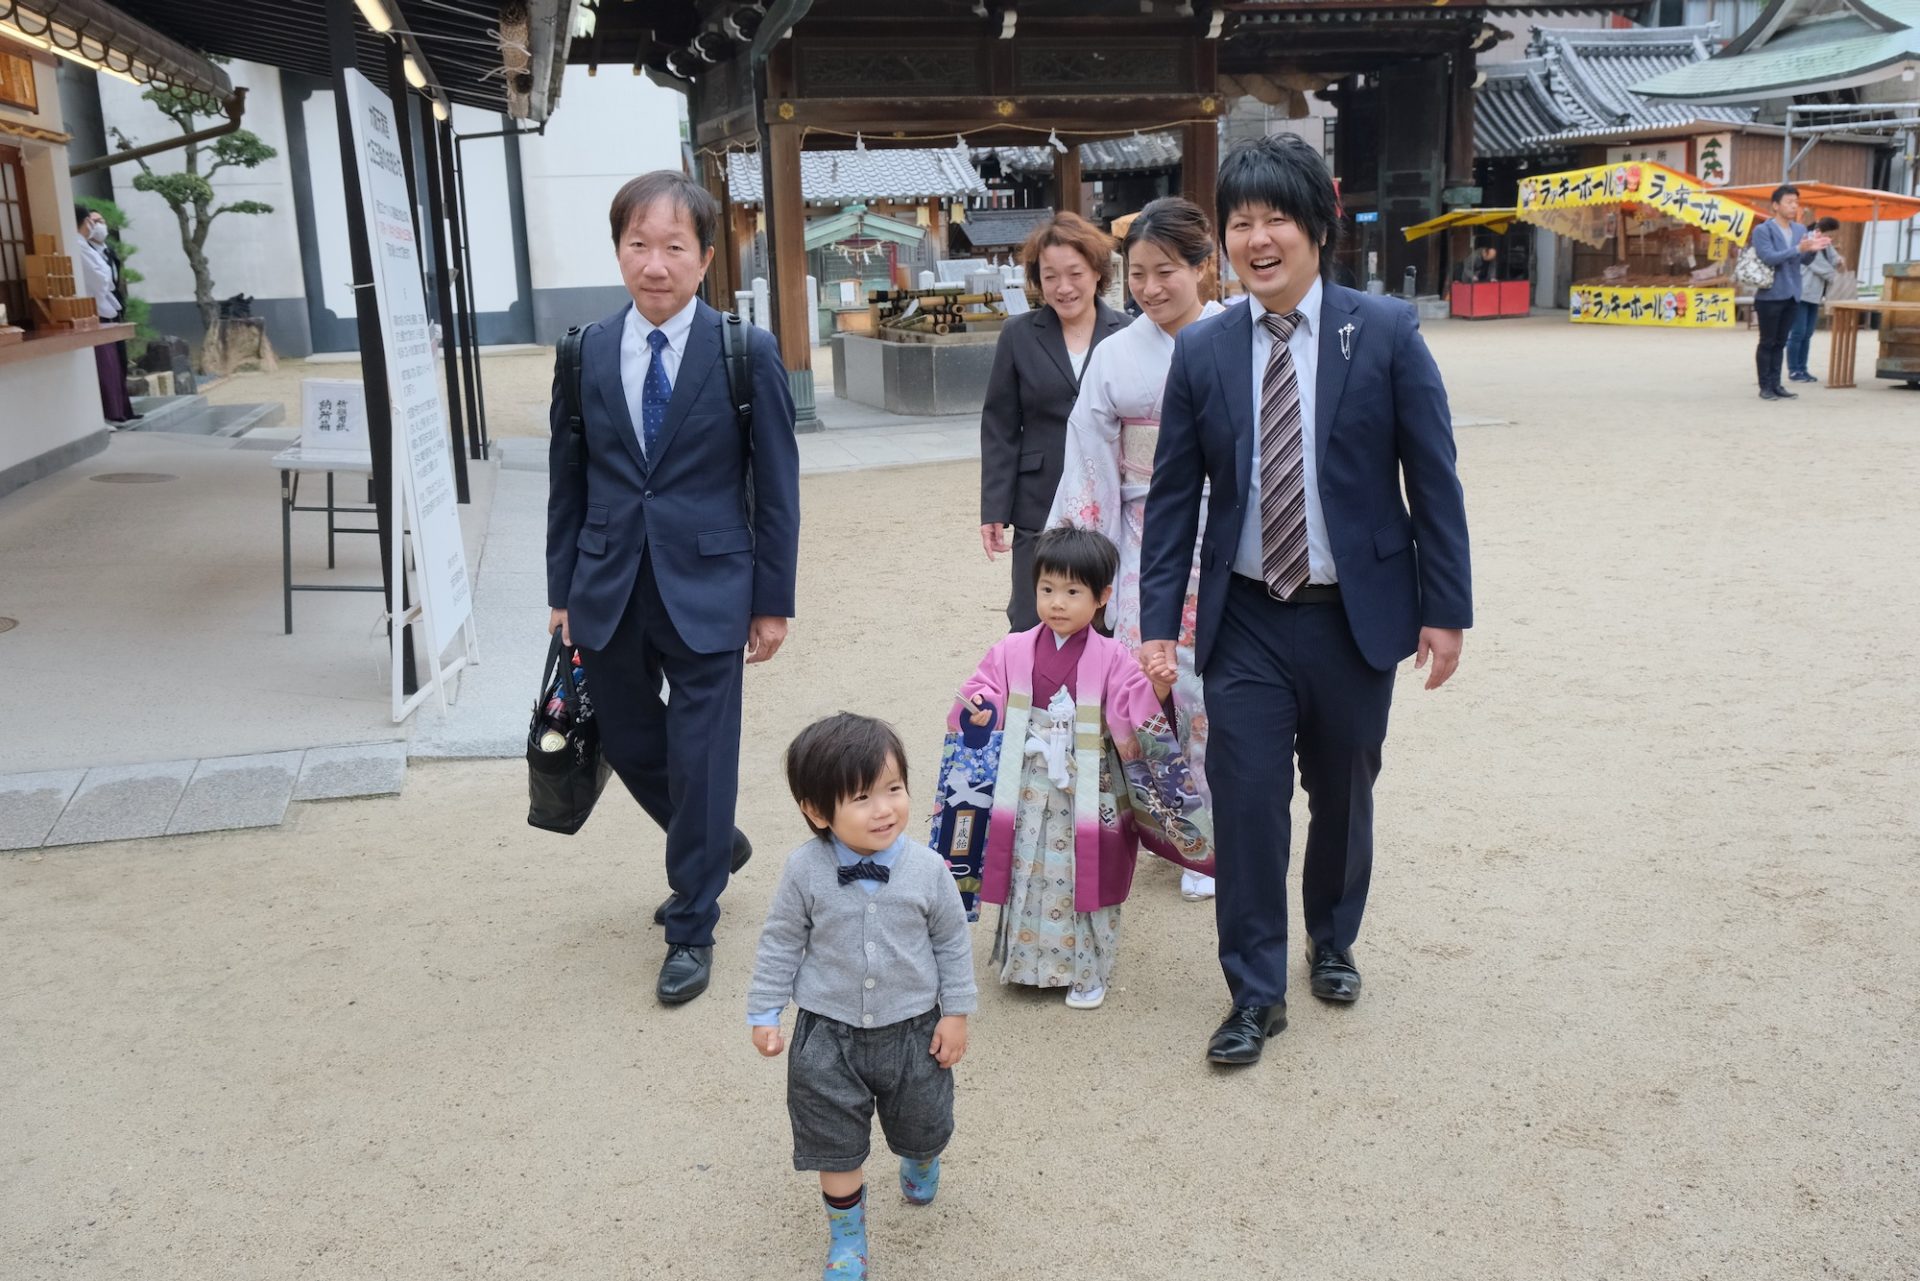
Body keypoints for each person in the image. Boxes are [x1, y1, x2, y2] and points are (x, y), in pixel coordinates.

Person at [1138, 133, 1472, 1067]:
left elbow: (1432, 479)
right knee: (1245, 804)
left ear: (1316, 227)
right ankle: (1253, 990)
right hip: (1246, 615)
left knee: (1343, 791)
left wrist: (1445, 610)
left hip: (1352, 615)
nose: (1258, 238)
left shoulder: (1388, 330)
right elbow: (1172, 499)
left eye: (1274, 217)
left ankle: (1332, 935)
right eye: (1240, 223)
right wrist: (1159, 624)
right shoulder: (1203, 350)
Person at [545, 170, 801, 1005]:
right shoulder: (583, 349)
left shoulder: (743, 351)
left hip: (711, 587)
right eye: (638, 245)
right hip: (609, 582)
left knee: (701, 755)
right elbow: (567, 479)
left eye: (674, 248)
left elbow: (777, 485)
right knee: (627, 740)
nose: (654, 264)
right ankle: (713, 842)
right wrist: (561, 590)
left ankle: (693, 920)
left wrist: (773, 599)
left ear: (704, 257)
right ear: (619, 248)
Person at [748, 714, 976, 1281]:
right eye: (862, 797)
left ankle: (920, 1159)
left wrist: (957, 1015)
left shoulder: (927, 869)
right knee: (832, 1143)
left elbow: (951, 942)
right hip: (827, 1035)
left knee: (923, 1125)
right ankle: (847, 1237)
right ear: (817, 811)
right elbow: (781, 941)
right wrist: (765, 1011)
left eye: (894, 789)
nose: (885, 809)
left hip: (913, 1031)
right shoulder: (803, 870)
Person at [952, 526, 1214, 1010]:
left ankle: (1086, 970)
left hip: (1090, 786)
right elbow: (979, 691)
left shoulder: (1113, 656)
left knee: (1084, 872)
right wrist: (982, 707)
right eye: (1047, 589)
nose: (1057, 603)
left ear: (1102, 598)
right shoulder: (1011, 649)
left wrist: (1156, 689)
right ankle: (1024, 963)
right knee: (1026, 867)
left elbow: (1138, 716)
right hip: (1028, 785)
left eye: (1073, 592)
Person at [1048, 196, 1225, 903]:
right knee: (1145, 694)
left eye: (1166, 272)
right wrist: (1095, 565)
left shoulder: (1235, 338)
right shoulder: (1115, 358)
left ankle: (1203, 832)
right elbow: (1090, 463)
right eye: (1139, 275)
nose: (1149, 289)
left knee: (1210, 695)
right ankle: (1167, 822)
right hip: (1143, 543)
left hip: (1222, 541)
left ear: (1204, 269)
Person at [979, 212, 1130, 630]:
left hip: (1109, 499)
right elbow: (1000, 428)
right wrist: (994, 509)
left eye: (1074, 273)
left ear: (1098, 271)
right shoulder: (1018, 335)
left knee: (1105, 619)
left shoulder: (1129, 333)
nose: (1063, 287)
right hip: (1039, 499)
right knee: (1032, 617)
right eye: (1050, 276)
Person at [1750, 184, 1832, 401]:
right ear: (1775, 205)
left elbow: (1803, 260)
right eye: (1789, 202)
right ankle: (1765, 386)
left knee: (1781, 341)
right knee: (1767, 341)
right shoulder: (1763, 230)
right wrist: (1798, 249)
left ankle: (1777, 384)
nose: (1793, 206)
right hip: (1769, 294)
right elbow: (1769, 257)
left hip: (1793, 293)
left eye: (1796, 202)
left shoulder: (1799, 230)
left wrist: (1814, 250)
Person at [73, 206, 136, 425]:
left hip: (108, 306)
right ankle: (110, 412)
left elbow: (108, 279)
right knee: (105, 365)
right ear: (86, 222)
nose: (98, 226)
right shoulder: (78, 247)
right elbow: (100, 280)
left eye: (101, 221)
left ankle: (120, 409)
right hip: (94, 309)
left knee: (117, 361)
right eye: (94, 221)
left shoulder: (104, 249)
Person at [1787, 216, 1843, 384]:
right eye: (1831, 234)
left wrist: (1839, 260)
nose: (1832, 238)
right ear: (1821, 230)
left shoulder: (1826, 242)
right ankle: (1794, 370)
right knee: (1797, 333)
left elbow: (1833, 259)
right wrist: (1838, 278)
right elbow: (1819, 265)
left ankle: (1802, 368)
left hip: (1815, 294)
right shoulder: (1809, 240)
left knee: (1807, 333)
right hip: (1802, 291)